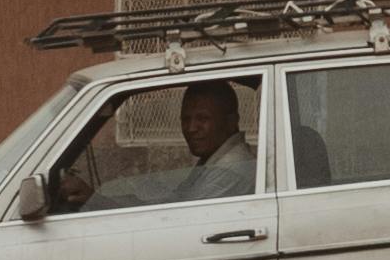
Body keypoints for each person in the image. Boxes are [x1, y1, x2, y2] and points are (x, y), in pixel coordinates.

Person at [68, 78, 257, 209]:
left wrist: (98, 201)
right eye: (186, 118)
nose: (191, 128)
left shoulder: (231, 169)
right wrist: (98, 199)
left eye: (203, 118)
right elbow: (173, 202)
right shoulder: (217, 160)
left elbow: (175, 220)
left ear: (231, 121)